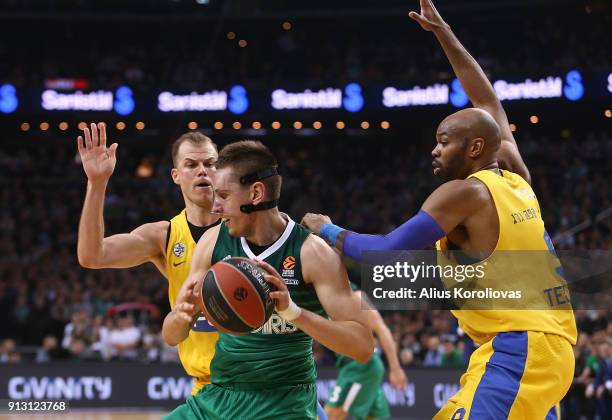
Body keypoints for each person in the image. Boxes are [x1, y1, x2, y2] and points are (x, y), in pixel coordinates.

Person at [302, 1, 577, 418]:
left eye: (444, 140)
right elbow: (489, 100)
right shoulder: (516, 176)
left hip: (519, 350)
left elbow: (390, 250)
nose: (434, 148)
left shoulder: (463, 194)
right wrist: (444, 34)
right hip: (546, 349)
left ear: (476, 148)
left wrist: (328, 230)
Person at [162, 140, 374, 420]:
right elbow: (170, 336)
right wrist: (181, 316)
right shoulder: (213, 242)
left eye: (224, 195)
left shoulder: (312, 253)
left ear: (256, 193)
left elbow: (362, 347)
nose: (215, 207)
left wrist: (293, 313)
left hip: (285, 402)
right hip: (219, 397)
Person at [76, 123, 220, 393]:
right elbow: (92, 256)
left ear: (220, 171)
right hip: (207, 387)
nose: (202, 170)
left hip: (258, 380)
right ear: (176, 176)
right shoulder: (163, 236)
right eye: (191, 164)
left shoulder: (248, 228)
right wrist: (97, 184)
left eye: (210, 163)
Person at [325, 287, 407, 420]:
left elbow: (382, 330)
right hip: (355, 366)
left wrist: (395, 368)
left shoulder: (355, 297)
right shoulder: (323, 295)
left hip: (361, 367)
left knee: (330, 415)